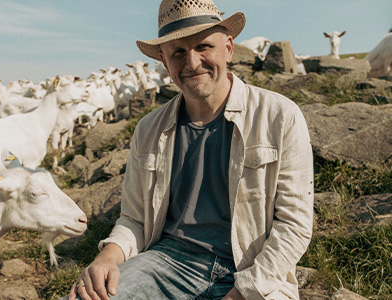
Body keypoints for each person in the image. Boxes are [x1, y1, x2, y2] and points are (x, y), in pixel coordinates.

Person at [66, 0, 314, 299]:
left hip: (252, 271)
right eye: (178, 52)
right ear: (164, 60)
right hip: (166, 262)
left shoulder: (279, 116)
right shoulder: (148, 130)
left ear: (229, 48)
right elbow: (134, 219)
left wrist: (243, 292)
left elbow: (294, 226)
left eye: (204, 47)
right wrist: (107, 257)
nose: (193, 63)